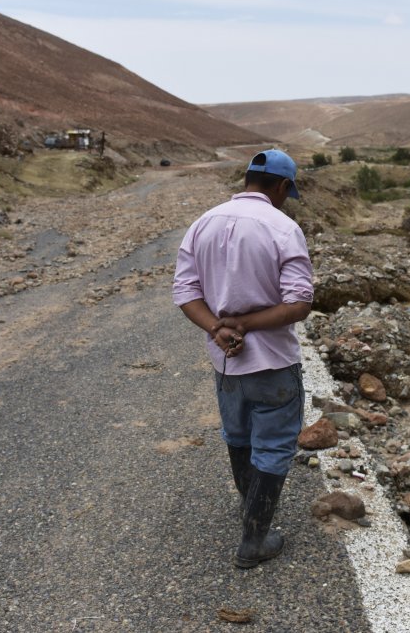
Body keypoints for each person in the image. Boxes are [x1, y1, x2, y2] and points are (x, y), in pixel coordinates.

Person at [172, 149, 314, 569]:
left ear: (248, 178)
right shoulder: (283, 228)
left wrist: (218, 328)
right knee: (273, 444)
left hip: (226, 361)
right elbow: (300, 303)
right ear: (282, 187)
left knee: (238, 435)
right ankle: (254, 540)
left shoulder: (203, 223)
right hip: (272, 361)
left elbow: (185, 292)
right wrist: (247, 325)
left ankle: (251, 508)